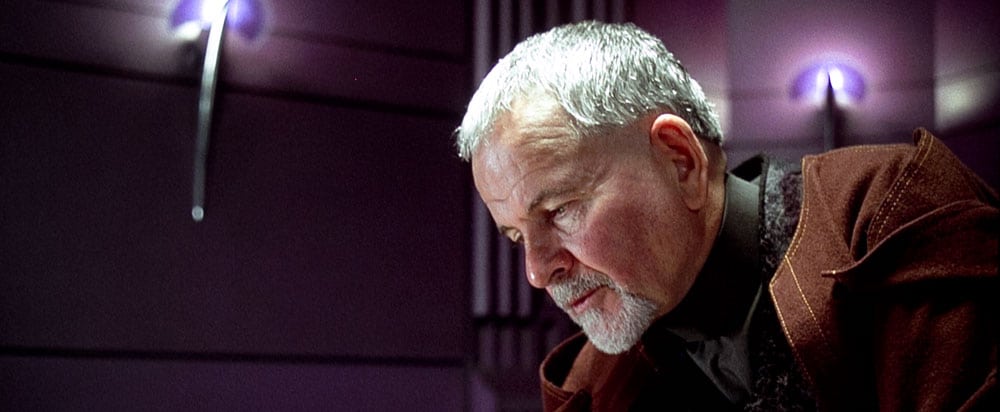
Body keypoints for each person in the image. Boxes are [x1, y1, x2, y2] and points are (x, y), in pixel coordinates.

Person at [454, 21, 998, 411]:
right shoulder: (589, 389)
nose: (537, 271)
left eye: (558, 210)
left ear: (681, 161)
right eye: (515, 235)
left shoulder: (889, 211)